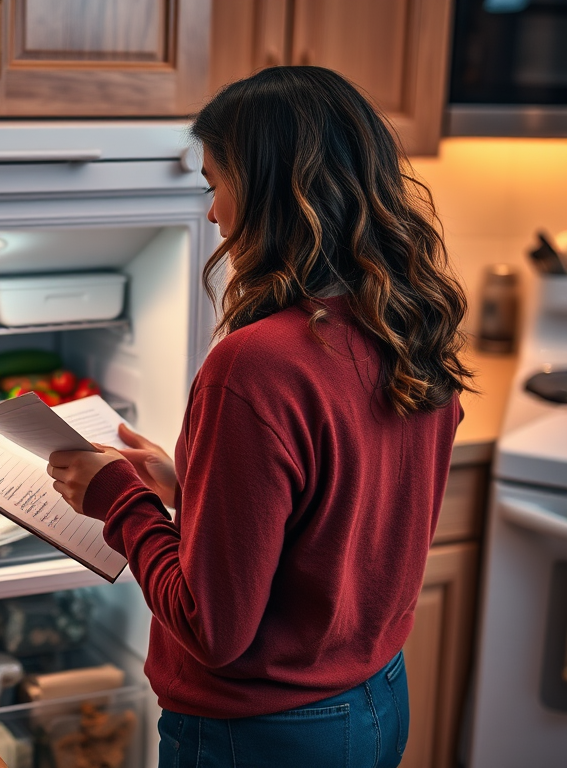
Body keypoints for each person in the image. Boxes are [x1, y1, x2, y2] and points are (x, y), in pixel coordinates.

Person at [47, 66, 475, 768]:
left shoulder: (256, 363)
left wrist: (117, 501)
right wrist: (184, 488)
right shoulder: (408, 324)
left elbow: (213, 630)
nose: (212, 213)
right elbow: (337, 529)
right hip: (376, 701)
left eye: (215, 183)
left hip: (262, 734)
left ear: (271, 186)